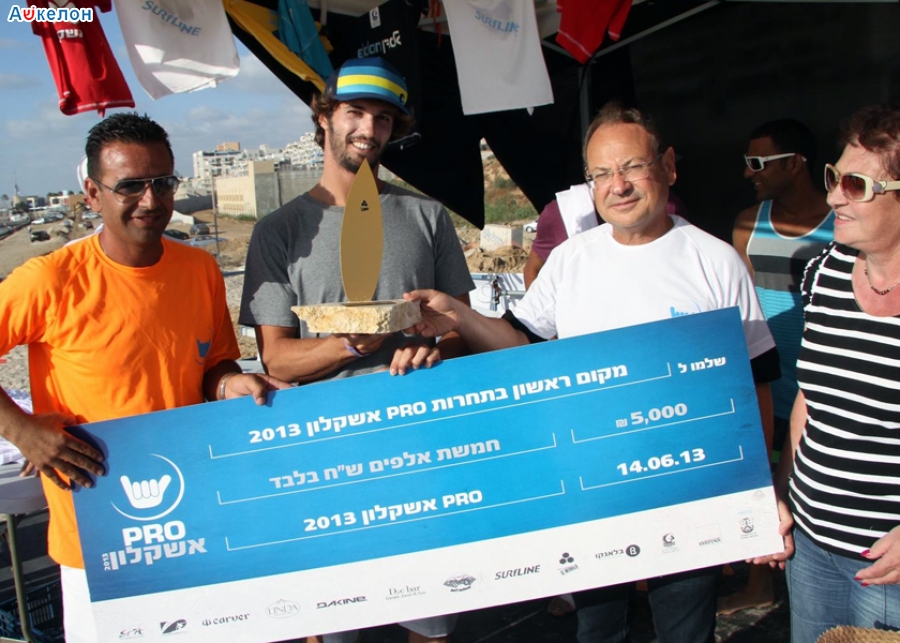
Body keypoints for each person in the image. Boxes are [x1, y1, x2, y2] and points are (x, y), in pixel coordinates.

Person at [403, 100, 780, 643]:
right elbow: (519, 343)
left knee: (686, 632)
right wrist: (458, 316)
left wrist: (758, 494)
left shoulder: (716, 260)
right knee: (598, 631)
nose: (617, 185)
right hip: (592, 492)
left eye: (632, 167)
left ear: (668, 166)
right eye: (601, 173)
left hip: (690, 492)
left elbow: (755, 382)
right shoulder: (571, 259)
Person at [0, 112, 288, 643]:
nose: (151, 200)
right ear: (93, 194)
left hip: (192, 518)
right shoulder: (49, 279)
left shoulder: (199, 269)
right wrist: (22, 430)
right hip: (96, 531)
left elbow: (215, 366)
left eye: (163, 182)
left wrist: (233, 384)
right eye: (130, 186)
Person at [240, 57, 473, 643]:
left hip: (421, 454)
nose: (369, 129)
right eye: (355, 112)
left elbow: (461, 328)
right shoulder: (278, 231)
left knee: (431, 624)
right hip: (326, 464)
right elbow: (277, 360)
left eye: (383, 119)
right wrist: (348, 344)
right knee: (334, 629)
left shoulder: (427, 216)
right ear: (323, 117)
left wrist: (435, 349)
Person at [768, 104, 900, 643]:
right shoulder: (824, 271)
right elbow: (810, 400)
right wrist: (781, 493)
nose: (832, 198)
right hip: (811, 545)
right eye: (833, 178)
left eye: (854, 185)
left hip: (888, 564)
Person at [722, 119, 835, 616]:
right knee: (763, 481)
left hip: (824, 388)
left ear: (795, 164)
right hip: (771, 384)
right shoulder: (749, 224)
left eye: (758, 163)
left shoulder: (843, 222)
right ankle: (760, 584)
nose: (749, 173)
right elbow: (742, 311)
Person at [523, 184, 688, 289]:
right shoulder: (561, 213)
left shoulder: (665, 208)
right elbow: (533, 269)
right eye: (604, 171)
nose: (619, 185)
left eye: (632, 166)